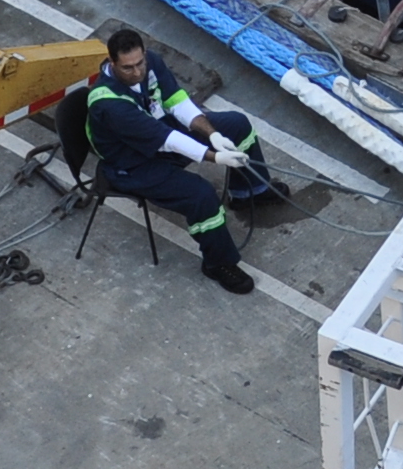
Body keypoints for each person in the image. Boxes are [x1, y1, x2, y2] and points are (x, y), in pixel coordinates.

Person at [80, 26, 269, 295]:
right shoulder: (109, 104)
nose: (137, 73)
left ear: (144, 54)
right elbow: (166, 138)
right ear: (112, 63)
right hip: (132, 165)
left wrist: (214, 135)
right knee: (201, 195)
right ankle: (218, 264)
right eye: (128, 68)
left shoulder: (151, 63)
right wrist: (216, 157)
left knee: (237, 125)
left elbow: (176, 101)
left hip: (158, 137)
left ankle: (250, 191)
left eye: (139, 63)